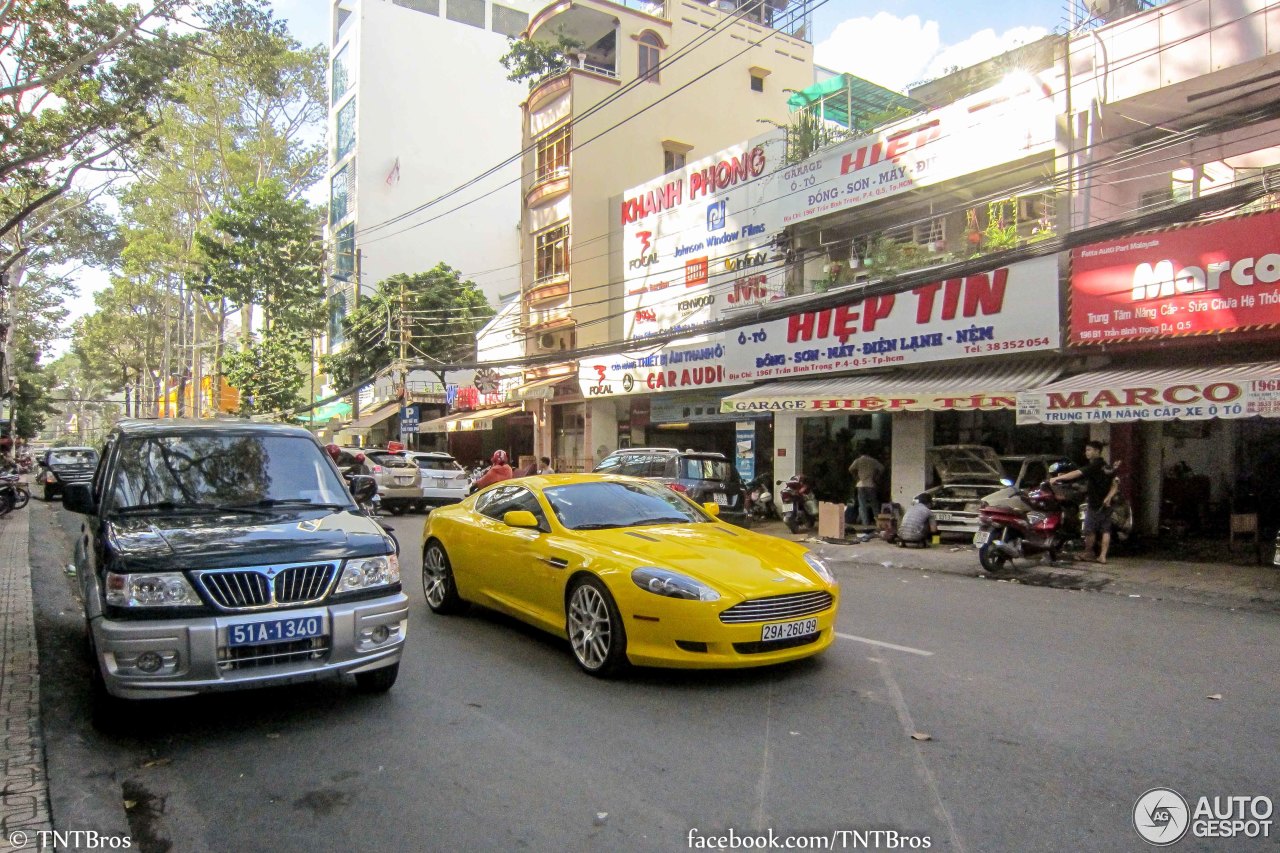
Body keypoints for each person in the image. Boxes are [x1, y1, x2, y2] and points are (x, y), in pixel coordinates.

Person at [1050, 440, 1119, 564]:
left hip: (1095, 503)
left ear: (1097, 451)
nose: (1086, 452)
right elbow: (1115, 484)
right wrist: (1109, 497)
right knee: (1105, 530)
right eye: (1086, 450)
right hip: (1107, 504)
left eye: (1089, 450)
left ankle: (1088, 553)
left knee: (1089, 529)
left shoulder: (1094, 466)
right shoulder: (1106, 466)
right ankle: (1102, 556)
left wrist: (1057, 478)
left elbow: (1077, 473)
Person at [848, 447, 884, 527]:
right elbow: (882, 468)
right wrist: (876, 477)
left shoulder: (858, 461)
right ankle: (878, 522)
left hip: (860, 484)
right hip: (871, 484)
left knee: (862, 505)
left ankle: (865, 524)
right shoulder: (873, 460)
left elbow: (850, 469)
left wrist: (856, 478)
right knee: (874, 504)